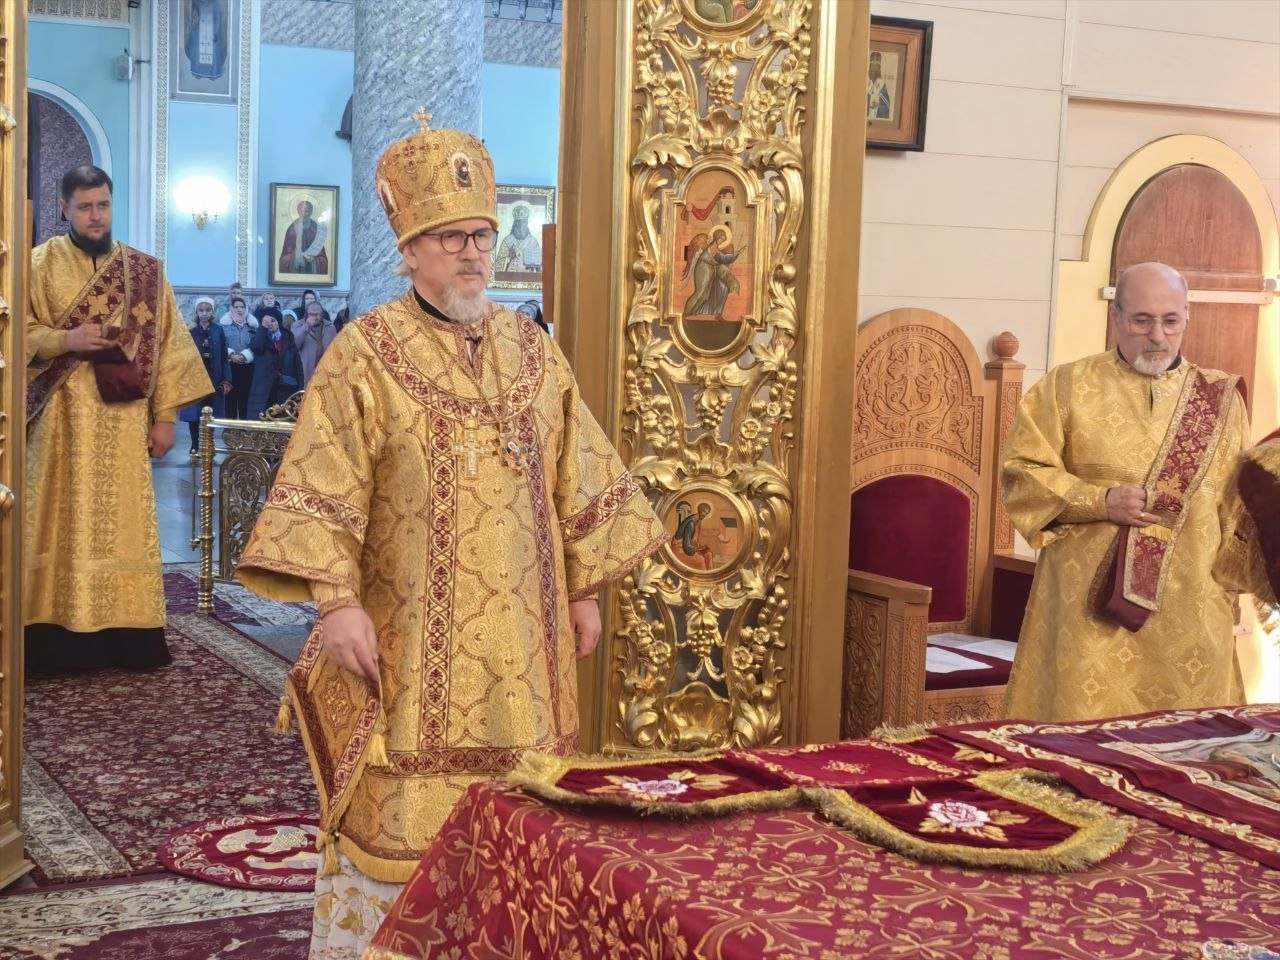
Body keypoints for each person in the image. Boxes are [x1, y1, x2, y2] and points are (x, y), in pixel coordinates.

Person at [235, 120, 665, 957]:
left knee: (528, 833)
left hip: (527, 657)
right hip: (408, 645)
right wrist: (336, 603)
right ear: (410, 251)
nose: (473, 254)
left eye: (481, 236)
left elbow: (576, 473)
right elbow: (325, 482)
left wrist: (584, 590)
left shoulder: (534, 351)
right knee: (404, 833)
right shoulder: (364, 354)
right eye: (451, 238)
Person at [1000, 261, 1258, 722]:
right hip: (1089, 610)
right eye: (1142, 320)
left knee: (1187, 743)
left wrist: (1243, 583)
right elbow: (1021, 474)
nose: (1157, 335)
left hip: (1192, 607)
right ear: (1116, 315)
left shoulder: (1220, 400)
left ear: (1187, 316)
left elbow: (1239, 508)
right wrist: (1099, 501)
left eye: (1170, 321)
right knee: (1079, 736)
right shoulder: (1066, 386)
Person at [24, 164, 212, 675]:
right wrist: (64, 340)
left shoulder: (144, 273)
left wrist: (166, 418)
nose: (96, 216)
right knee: (57, 524)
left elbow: (170, 348)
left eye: (103, 205)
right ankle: (50, 639)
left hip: (123, 425)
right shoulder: (36, 265)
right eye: (85, 207)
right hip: (58, 427)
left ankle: (129, 638)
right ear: (64, 208)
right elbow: (13, 331)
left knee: (121, 526)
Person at [181, 295, 231, 453]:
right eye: (201, 310)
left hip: (213, 376)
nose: (204, 313)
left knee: (211, 411)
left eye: (208, 310)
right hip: (195, 376)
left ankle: (208, 443)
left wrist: (226, 379)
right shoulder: (191, 329)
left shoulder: (218, 329)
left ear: (212, 311)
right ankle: (195, 444)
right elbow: (181, 351)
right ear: (196, 311)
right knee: (195, 413)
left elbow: (224, 356)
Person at [246, 314, 303, 420]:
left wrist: (300, 388)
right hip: (263, 388)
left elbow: (298, 364)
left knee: (283, 420)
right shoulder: (259, 336)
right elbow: (257, 347)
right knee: (262, 420)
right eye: (266, 321)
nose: (270, 324)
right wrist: (263, 329)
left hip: (285, 388)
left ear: (278, 322)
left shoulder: (288, 337)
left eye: (272, 321)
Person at [683, 225, 742, 320]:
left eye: (723, 240)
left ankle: (699, 313)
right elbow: (707, 258)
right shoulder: (710, 247)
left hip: (711, 270)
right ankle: (686, 313)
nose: (722, 241)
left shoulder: (717, 250)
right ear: (717, 237)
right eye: (721, 239)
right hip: (703, 269)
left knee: (710, 293)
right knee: (699, 293)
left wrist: (737, 253)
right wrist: (717, 263)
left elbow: (724, 258)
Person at [221, 295, 255, 419]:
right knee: (230, 398)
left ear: (246, 309)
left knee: (244, 398)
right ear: (231, 309)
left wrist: (245, 356)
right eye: (236, 307)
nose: (239, 309)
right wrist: (231, 355)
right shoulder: (224, 325)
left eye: (242, 307)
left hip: (247, 367)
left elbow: (256, 344)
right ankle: (230, 427)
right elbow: (221, 344)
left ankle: (243, 427)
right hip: (230, 366)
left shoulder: (252, 325)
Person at [278, 196, 329, 276]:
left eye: (307, 211)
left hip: (312, 269)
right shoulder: (292, 230)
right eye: (301, 211)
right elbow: (284, 259)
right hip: (296, 270)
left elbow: (323, 259)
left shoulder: (315, 229)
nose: (304, 214)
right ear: (298, 212)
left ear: (311, 212)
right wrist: (296, 256)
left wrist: (314, 259)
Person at [291, 300, 336, 386]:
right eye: (311, 314)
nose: (314, 317)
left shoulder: (330, 327)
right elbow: (295, 345)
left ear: (322, 314)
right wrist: (306, 326)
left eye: (317, 314)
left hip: (325, 369)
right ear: (306, 314)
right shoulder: (297, 325)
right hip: (306, 369)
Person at [493, 202, 541, 273]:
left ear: (527, 223)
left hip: (528, 277)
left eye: (524, 222)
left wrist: (532, 261)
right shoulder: (507, 241)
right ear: (515, 223)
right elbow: (498, 266)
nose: (521, 225)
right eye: (519, 222)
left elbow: (538, 269)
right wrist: (509, 257)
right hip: (509, 277)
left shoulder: (533, 242)